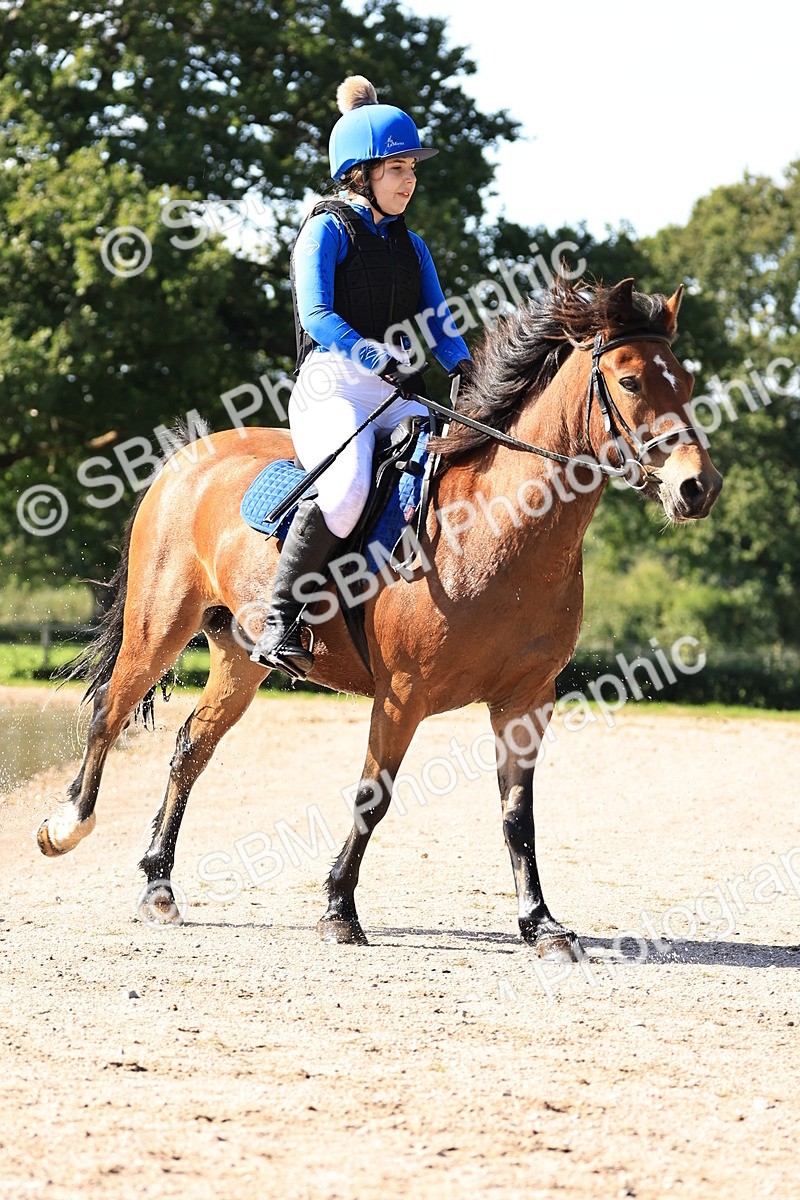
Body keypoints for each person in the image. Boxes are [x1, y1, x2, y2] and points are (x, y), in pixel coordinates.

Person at [250, 75, 473, 678]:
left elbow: (439, 322)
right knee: (346, 491)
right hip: (333, 386)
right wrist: (367, 352)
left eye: (413, 170)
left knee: (456, 465)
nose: (410, 181)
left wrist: (463, 364)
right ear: (362, 172)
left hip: (395, 392)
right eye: (398, 168)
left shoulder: (413, 244)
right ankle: (279, 619)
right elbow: (316, 315)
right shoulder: (324, 228)